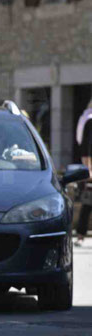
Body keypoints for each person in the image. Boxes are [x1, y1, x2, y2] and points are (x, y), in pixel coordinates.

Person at [75, 101, 92, 247]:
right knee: (87, 203)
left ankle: (80, 234)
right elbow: (86, 148)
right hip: (91, 169)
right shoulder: (89, 121)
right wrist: (89, 170)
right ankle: (80, 234)